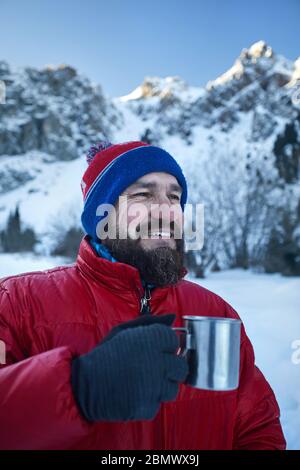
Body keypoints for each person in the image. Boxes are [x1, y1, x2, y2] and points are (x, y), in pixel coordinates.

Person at [0, 141, 286, 450]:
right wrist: (76, 388)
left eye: (174, 196)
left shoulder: (216, 311)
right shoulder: (17, 303)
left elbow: (258, 428)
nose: (166, 210)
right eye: (143, 194)